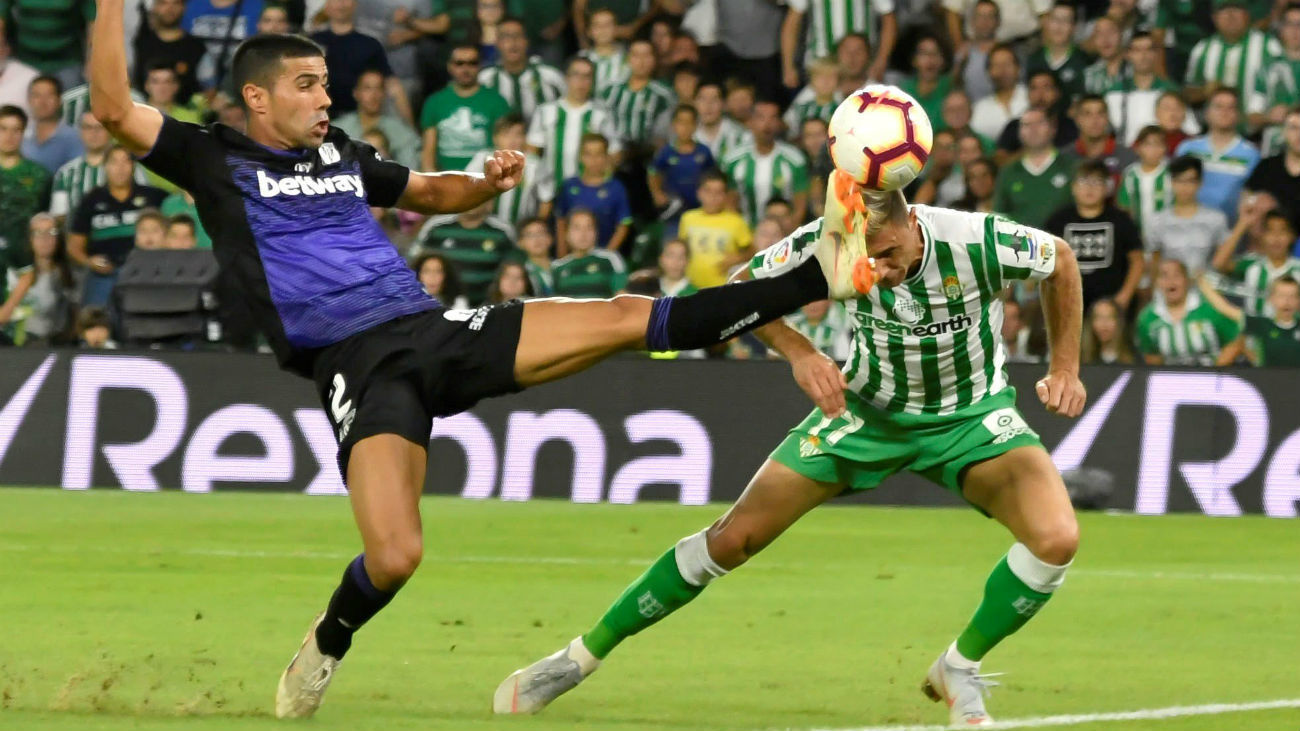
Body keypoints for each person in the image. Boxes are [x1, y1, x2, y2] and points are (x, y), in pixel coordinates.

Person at [92, 15, 841, 720]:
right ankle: (329, 637)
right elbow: (112, 105)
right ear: (257, 96)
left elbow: (427, 191)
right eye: (307, 84)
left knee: (622, 315)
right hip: (361, 367)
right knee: (395, 556)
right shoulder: (213, 157)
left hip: (432, 330)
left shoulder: (341, 156)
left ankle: (819, 275)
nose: (326, 97)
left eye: (326, 83)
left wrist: (482, 183)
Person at [496, 186, 1087, 730]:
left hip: (971, 418)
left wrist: (1065, 367)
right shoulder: (826, 242)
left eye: (885, 252)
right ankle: (579, 657)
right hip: (862, 414)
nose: (877, 269)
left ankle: (957, 668)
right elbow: (740, 284)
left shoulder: (976, 239)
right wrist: (800, 352)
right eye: (865, 257)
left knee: (1056, 538)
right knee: (732, 539)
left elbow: (1059, 258)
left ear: (911, 224)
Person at [67, 145, 168, 306]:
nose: (120, 168)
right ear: (105, 166)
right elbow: (74, 246)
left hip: (148, 270)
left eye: (126, 162)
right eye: (114, 162)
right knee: (97, 319)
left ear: (134, 165)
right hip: (104, 273)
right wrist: (89, 262)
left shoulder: (155, 197)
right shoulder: (91, 200)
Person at [1047, 159, 1144, 314]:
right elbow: (1046, 261)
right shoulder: (1058, 221)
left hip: (1113, 306)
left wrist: (1124, 298)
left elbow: (1137, 260)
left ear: (1107, 188)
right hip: (1068, 304)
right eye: (1083, 181)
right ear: (1073, 187)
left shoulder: (1121, 220)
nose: (1089, 188)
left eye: (1097, 182)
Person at [527, 56, 622, 197]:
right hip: (551, 193)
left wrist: (601, 184)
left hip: (589, 194)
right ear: (566, 78)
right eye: (576, 75)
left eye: (587, 77)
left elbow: (615, 154)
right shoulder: (545, 111)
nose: (581, 82)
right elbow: (532, 152)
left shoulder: (602, 114)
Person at [310, 0, 412, 122]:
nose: (341, 4)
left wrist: (410, 127)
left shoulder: (370, 44)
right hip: (320, 118)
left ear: (355, 4)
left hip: (361, 121)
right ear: (326, 5)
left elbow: (393, 86)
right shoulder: (312, 43)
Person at [420, 44, 511, 173]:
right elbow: (428, 152)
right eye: (459, 63)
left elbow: (504, 148)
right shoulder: (434, 102)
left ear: (480, 65)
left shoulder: (497, 102)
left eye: (472, 63)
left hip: (485, 179)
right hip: (445, 179)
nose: (466, 68)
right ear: (449, 66)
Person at [1174, 87, 1259, 224]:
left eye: (1230, 108)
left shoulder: (1251, 154)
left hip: (1231, 234)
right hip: (1187, 229)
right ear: (1207, 113)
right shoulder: (1187, 149)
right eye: (1218, 107)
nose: (1224, 112)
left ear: (1237, 114)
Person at [722, 98, 809, 229]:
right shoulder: (732, 160)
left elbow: (800, 204)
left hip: (783, 238)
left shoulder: (795, 159)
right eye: (761, 118)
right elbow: (729, 203)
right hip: (744, 235)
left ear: (779, 123)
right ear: (750, 122)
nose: (767, 124)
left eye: (773, 118)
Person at [50, 111, 148, 224]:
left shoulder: (132, 167)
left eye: (100, 127)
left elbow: (146, 204)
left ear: (111, 131)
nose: (94, 133)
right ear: (80, 131)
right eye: (88, 127)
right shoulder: (65, 174)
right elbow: (59, 217)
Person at [410, 200, 515, 305]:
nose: (473, 200)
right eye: (470, 194)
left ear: (488, 200)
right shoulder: (435, 226)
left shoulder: (503, 231)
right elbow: (413, 263)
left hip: (489, 307)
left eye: (477, 195)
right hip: (443, 306)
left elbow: (514, 269)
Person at [1136, 258, 1238, 365]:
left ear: (1187, 280)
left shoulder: (1210, 308)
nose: (1171, 281)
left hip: (1210, 377)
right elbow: (1152, 358)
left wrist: (1217, 370)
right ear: (1157, 282)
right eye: (1164, 276)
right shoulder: (1147, 317)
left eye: (1177, 275)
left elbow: (1235, 341)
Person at [1184, 0, 1280, 108]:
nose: (1231, 15)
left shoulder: (1270, 47)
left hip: (1260, 122)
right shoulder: (1202, 49)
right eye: (1223, 10)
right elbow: (1189, 93)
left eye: (1237, 9)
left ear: (1247, 15)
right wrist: (1204, 91)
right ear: (1214, 18)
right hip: (1216, 123)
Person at [0, 104, 50, 311]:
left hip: (28, 268)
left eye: (16, 130)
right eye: (3, 128)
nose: (9, 136)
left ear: (24, 132)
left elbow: (46, 218)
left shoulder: (40, 175)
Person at [781, 0, 897, 89]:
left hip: (863, 64)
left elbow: (888, 17)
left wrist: (881, 60)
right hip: (821, 63)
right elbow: (792, 22)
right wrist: (788, 66)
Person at [1143, 154, 1227, 276]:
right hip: (1169, 290)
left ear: (1200, 183)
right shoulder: (1157, 220)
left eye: (1190, 181)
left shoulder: (1216, 219)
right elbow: (1155, 263)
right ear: (1171, 182)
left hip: (1206, 289)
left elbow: (1222, 262)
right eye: (1179, 181)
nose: (1184, 187)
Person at [992, 108, 1074, 230]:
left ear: (1053, 129)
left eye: (1040, 123)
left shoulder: (1072, 166)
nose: (1033, 129)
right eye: (1026, 125)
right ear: (1019, 132)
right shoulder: (1008, 172)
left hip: (1062, 244)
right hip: (1021, 246)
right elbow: (999, 216)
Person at [0, 212, 74, 344]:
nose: (45, 239)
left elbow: (66, 323)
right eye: (38, 233)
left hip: (47, 344)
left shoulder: (65, 275)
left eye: (51, 232)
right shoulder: (12, 272)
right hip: (8, 342)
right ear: (29, 238)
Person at [1212, 207, 1300, 315]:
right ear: (1262, 236)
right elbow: (1219, 264)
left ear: (1292, 236)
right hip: (1255, 330)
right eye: (1270, 231)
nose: (1276, 238)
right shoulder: (1251, 264)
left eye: (1282, 231)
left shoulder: (1298, 269)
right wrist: (1242, 225)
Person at [477, 16, 566, 123]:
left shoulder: (551, 75)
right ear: (497, 43)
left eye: (518, 36)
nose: (513, 43)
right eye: (506, 37)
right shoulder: (484, 78)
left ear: (527, 41)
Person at [1104, 31, 1185, 147]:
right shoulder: (1113, 92)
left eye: (1149, 49)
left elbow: (1188, 130)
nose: (1143, 55)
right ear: (1128, 54)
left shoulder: (1171, 91)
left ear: (1156, 53)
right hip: (1124, 157)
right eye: (1137, 50)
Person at [554, 133, 631, 253]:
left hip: (604, 252)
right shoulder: (569, 186)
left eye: (599, 154)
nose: (594, 160)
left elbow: (623, 224)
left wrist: (607, 255)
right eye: (588, 154)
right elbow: (561, 221)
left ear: (606, 156)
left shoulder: (616, 188)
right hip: (573, 255)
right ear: (580, 157)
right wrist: (562, 253)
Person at [332, 70, 422, 171]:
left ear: (384, 93)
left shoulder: (401, 132)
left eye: (378, 88)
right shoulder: (338, 129)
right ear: (356, 93)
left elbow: (410, 171)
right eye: (367, 88)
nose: (373, 95)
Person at [678, 170, 753, 290]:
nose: (713, 197)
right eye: (708, 191)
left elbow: (752, 251)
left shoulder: (736, 221)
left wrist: (739, 258)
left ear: (726, 195)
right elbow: (681, 249)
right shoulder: (688, 218)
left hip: (722, 287)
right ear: (699, 193)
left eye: (719, 192)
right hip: (691, 286)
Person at [468, 114, 546, 230]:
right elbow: (468, 191)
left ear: (525, 138)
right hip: (486, 227)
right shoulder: (482, 159)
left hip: (521, 229)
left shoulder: (535, 164)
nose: (512, 140)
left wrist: (535, 229)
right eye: (506, 134)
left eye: (517, 134)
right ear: (495, 138)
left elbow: (546, 199)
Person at [1206, 274, 1300, 366]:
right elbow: (1224, 308)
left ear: (1298, 300)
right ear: (1271, 299)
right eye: (1281, 296)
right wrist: (1201, 280)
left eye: (1292, 296)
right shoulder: (1261, 324)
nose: (1287, 301)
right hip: (1267, 379)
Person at [648, 104, 714, 233]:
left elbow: (712, 176)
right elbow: (653, 172)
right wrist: (657, 193)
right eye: (681, 123)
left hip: (699, 208)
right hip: (674, 209)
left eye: (690, 123)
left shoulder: (704, 152)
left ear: (696, 126)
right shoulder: (666, 152)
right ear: (674, 125)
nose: (685, 127)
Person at [600, 38, 675, 150]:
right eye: (636, 55)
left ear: (654, 60)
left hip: (648, 156)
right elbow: (601, 123)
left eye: (646, 55)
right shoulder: (610, 90)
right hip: (613, 155)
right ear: (628, 59)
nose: (641, 61)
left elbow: (665, 133)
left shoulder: (663, 95)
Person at [132, 0, 207, 104]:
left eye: (176, 3)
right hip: (142, 109)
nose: (170, 9)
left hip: (186, 115)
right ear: (154, 7)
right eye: (163, 3)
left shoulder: (196, 47)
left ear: (184, 7)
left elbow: (208, 88)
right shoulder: (141, 43)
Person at [1244, 107, 1300, 232]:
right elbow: (1246, 204)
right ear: (1284, 132)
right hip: (1267, 244)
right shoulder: (1266, 166)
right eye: (1294, 128)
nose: (1299, 134)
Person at [1062, 94, 1137, 187]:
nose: (1095, 120)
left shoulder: (1128, 157)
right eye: (1087, 114)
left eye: (1100, 114)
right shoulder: (1064, 158)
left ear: (1107, 118)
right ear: (1077, 119)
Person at [551, 208, 628, 298]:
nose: (583, 234)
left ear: (596, 232)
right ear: (566, 234)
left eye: (589, 227)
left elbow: (623, 298)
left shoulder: (610, 259)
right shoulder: (557, 267)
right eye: (577, 228)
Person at [1025, 3, 1089, 103]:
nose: (1059, 26)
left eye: (1066, 20)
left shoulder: (1085, 61)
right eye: (1055, 19)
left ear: (1074, 27)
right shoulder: (1032, 60)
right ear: (1046, 23)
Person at [21, 76, 83, 174]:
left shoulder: (74, 138)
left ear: (59, 100)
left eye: (49, 95)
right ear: (29, 100)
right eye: (37, 96)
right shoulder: (21, 135)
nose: (42, 102)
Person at [1117, 125, 1172, 234]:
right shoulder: (1130, 174)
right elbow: (1124, 206)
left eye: (1158, 144)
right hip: (1138, 233)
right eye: (1148, 145)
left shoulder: (1171, 173)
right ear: (1137, 148)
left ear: (1165, 148)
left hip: (1167, 234)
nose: (1153, 150)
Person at [970, 44, 1028, 141]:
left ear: (1018, 68)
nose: (1003, 70)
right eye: (997, 65)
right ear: (988, 72)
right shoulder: (979, 109)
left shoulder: (1032, 97)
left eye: (1007, 64)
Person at [898, 35, 952, 133]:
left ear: (943, 60)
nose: (930, 59)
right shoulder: (904, 90)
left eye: (935, 53)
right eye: (924, 54)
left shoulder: (950, 87)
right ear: (914, 60)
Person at [783, 56, 843, 139]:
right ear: (811, 81)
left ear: (839, 81)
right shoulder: (801, 108)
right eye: (820, 76)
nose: (825, 81)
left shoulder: (842, 111)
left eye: (831, 76)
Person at [953, 0, 1000, 103]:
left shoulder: (1006, 53)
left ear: (998, 22)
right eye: (980, 16)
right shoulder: (963, 54)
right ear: (972, 21)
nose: (985, 21)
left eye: (990, 16)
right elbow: (953, 86)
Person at [692, 82, 749, 161]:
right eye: (703, 99)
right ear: (694, 103)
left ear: (724, 104)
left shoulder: (740, 136)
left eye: (714, 99)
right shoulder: (688, 135)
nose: (708, 105)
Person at [579, 8, 628, 95]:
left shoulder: (629, 59)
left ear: (616, 29)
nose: (603, 30)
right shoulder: (581, 59)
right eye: (597, 25)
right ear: (589, 31)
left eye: (608, 25)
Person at [1081, 297, 1136, 364]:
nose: (1104, 324)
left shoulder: (1133, 358)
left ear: (1118, 322)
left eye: (1109, 317)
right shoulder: (1084, 360)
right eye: (1098, 318)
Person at [1082, 16, 1127, 96]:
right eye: (1099, 34)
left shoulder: (1136, 69)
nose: (1105, 39)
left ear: (1122, 34)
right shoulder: (1089, 75)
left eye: (1111, 32)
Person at [514, 216, 553, 296]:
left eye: (541, 233)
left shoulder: (563, 269)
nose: (537, 239)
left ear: (550, 238)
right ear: (520, 242)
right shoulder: (521, 274)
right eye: (530, 235)